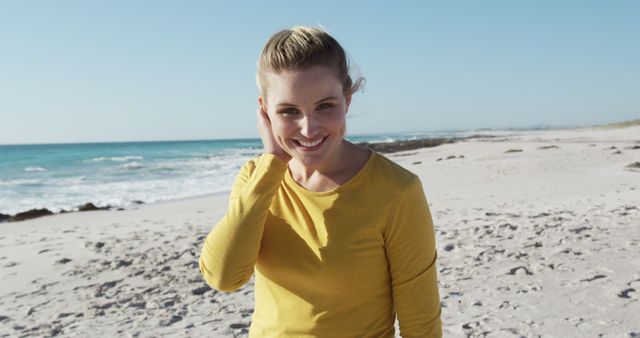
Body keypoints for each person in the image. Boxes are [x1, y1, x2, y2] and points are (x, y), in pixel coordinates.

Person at [199, 26, 442, 337]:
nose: (309, 128)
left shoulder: (396, 190)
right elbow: (223, 276)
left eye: (325, 106)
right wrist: (272, 162)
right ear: (265, 112)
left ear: (347, 101)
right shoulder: (256, 178)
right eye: (288, 111)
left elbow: (421, 324)